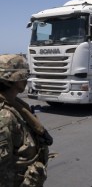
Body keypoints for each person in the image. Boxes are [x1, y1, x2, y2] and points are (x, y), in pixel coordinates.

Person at [0, 54, 53, 186]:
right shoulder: (5, 116)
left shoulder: (17, 105)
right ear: (7, 80)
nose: (25, 79)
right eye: (21, 75)